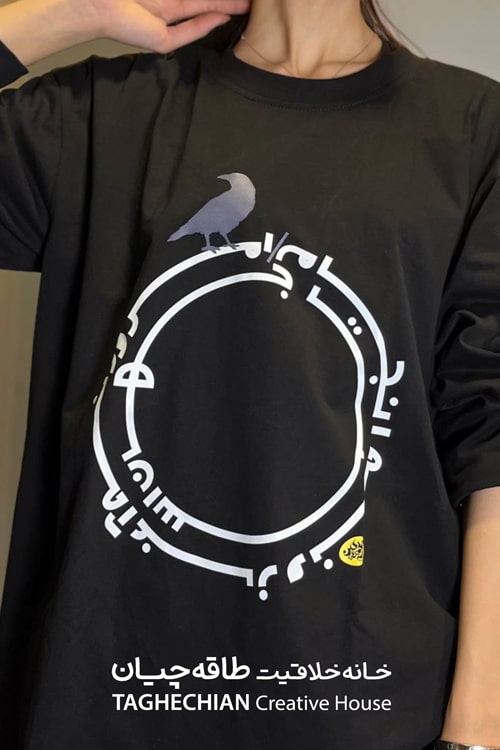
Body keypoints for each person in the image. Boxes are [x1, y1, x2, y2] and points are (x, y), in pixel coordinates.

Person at [0, 1, 499, 748]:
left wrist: (479, 728)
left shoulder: (474, 129)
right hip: (108, 696)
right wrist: (70, 10)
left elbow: (491, 436)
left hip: (362, 703)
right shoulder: (103, 111)